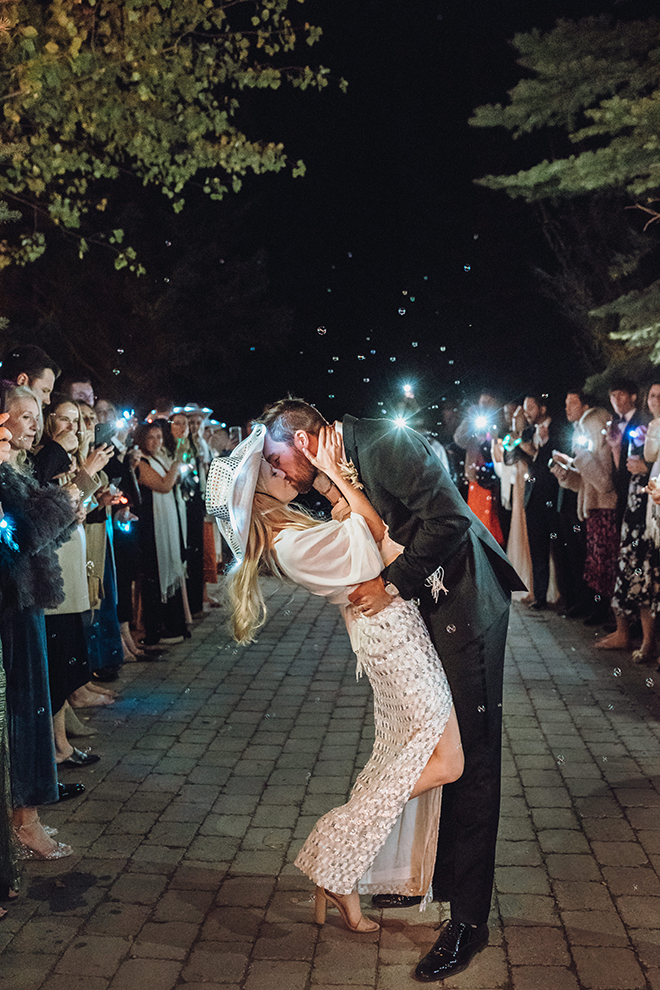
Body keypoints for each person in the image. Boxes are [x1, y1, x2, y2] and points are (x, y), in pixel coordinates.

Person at [260, 399, 524, 982]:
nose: (277, 473)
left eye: (278, 459)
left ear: (301, 441)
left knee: (471, 763)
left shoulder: (383, 444)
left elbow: (450, 521)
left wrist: (392, 587)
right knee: (430, 747)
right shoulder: (341, 460)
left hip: (464, 607)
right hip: (428, 608)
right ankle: (428, 880)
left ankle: (469, 924)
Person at [207, 423, 463, 937]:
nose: (281, 470)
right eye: (270, 468)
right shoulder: (291, 545)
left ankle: (341, 867)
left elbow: (361, 529)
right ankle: (336, 843)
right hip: (392, 640)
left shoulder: (292, 530)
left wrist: (336, 488)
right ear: (256, 492)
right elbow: (375, 533)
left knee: (411, 756)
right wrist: (337, 479)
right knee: (447, 763)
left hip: (392, 630)